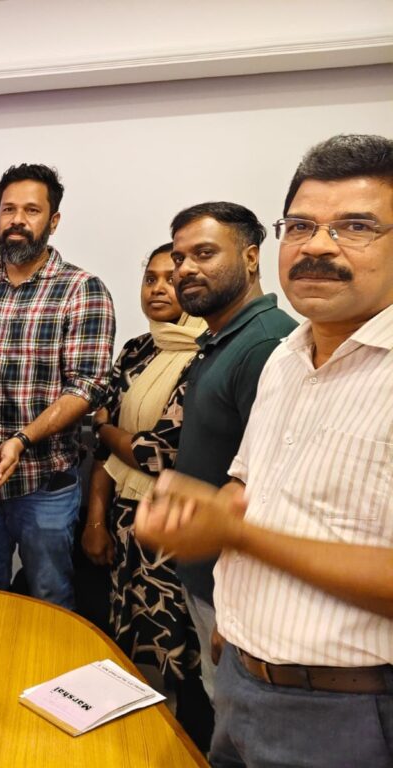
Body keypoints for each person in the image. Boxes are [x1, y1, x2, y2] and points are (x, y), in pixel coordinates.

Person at [136, 133, 393, 768]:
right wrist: (205, 523)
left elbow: (248, 527)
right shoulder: (286, 358)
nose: (318, 246)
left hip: (347, 712)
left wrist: (237, 535)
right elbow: (251, 487)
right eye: (300, 226)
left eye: (356, 226)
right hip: (244, 679)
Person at [0, 163, 115, 608]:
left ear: (53, 221)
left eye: (31, 210)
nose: (17, 220)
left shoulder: (83, 289)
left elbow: (87, 387)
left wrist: (21, 440)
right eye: (8, 209)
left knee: (50, 599)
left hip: (45, 486)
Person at [83, 243, 211, 746]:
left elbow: (156, 453)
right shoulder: (137, 350)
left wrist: (107, 429)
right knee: (128, 637)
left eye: (170, 279)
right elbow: (108, 453)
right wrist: (96, 520)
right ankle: (135, 740)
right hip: (125, 519)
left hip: (179, 526)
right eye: (150, 279)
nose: (158, 289)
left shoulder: (208, 353)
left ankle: (186, 744)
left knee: (183, 649)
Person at [168, 201, 297, 697]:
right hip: (208, 578)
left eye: (204, 253)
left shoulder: (265, 344)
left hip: (233, 591)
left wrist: (235, 604)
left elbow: (269, 489)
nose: (185, 269)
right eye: (179, 258)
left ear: (250, 257)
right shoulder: (222, 338)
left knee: (234, 715)